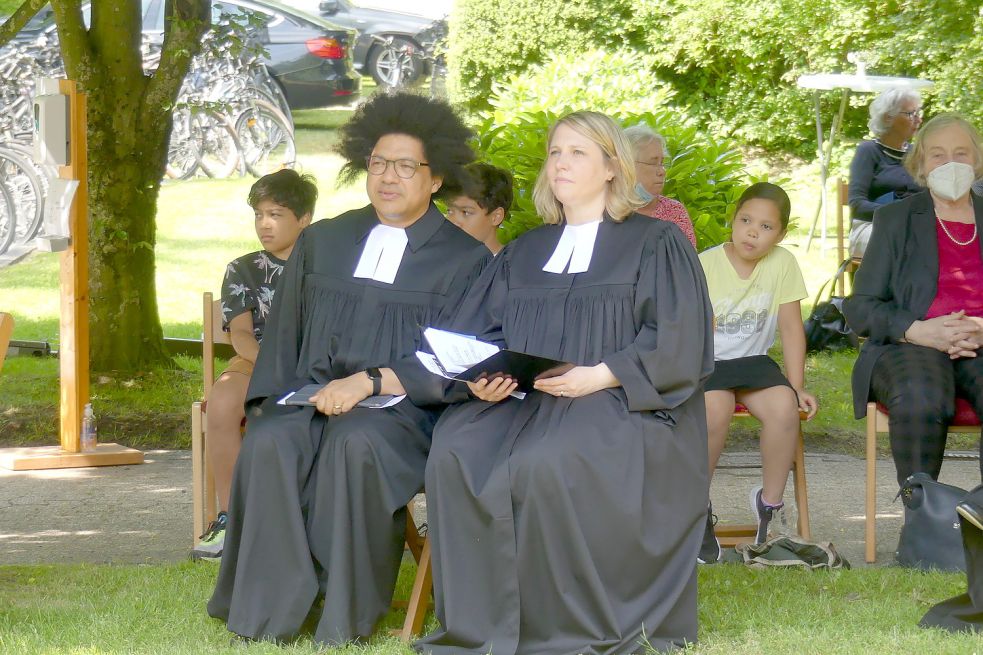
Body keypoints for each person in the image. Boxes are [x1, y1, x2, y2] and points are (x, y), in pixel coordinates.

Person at [416, 111, 715, 655]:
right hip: (526, 399)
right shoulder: (525, 250)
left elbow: (679, 338)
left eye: (578, 152)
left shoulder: (655, 243)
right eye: (555, 152)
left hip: (624, 399)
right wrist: (482, 379)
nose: (562, 163)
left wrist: (600, 374)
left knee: (547, 461)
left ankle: (558, 627)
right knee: (456, 449)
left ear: (610, 167)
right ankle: (484, 624)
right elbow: (479, 331)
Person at [207, 92, 491, 646]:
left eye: (406, 166)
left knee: (354, 443)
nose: (389, 177)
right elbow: (285, 339)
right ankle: (269, 608)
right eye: (380, 163)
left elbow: (457, 358)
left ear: (435, 180)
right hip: (311, 396)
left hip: (405, 412)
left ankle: (342, 612)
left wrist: (370, 384)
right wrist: (277, 402)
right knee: (271, 442)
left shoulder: (465, 260)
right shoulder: (325, 241)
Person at [843, 113, 983, 487]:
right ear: (919, 162)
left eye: (961, 153)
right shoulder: (895, 219)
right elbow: (861, 306)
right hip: (910, 343)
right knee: (921, 396)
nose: (950, 162)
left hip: (981, 341)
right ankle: (922, 521)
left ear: (978, 160)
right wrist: (917, 330)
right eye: (937, 154)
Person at [191, 170, 316, 561]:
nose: (265, 224)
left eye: (276, 214)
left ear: (304, 218)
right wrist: (270, 365)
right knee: (225, 399)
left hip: (315, 364)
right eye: (259, 214)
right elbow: (241, 334)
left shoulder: (326, 265)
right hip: (255, 360)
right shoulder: (242, 268)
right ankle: (230, 517)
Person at [697, 183, 819, 563]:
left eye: (766, 227)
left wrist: (796, 386)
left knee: (784, 408)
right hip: (708, 364)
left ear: (780, 235)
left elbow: (791, 328)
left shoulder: (782, 263)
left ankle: (770, 507)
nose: (753, 231)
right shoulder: (704, 263)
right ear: (733, 221)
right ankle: (696, 509)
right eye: (747, 220)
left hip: (753, 363)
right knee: (713, 411)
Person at [848, 88, 924, 257]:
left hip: (915, 226)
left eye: (919, 113)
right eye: (911, 114)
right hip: (873, 226)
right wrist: (899, 213)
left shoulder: (918, 154)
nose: (919, 119)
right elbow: (857, 204)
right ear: (888, 117)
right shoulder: (868, 151)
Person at [624, 122, 697, 247]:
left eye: (662, 163)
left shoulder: (674, 212)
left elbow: (687, 263)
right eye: (653, 163)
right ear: (627, 166)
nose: (662, 171)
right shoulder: (602, 211)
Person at [445, 162, 513, 255]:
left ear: (496, 216)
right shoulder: (439, 265)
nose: (453, 222)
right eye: (450, 211)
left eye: (465, 212)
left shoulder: (511, 267)